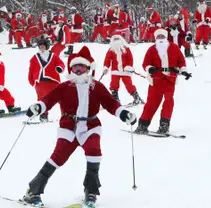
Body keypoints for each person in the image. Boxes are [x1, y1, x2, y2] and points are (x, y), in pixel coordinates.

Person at [21, 46, 137, 207]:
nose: (77, 70)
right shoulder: (65, 86)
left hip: (90, 126)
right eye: (74, 67)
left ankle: (91, 192)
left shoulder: (96, 86)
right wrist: (38, 107)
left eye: (81, 67)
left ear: (87, 69)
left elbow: (111, 103)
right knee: (58, 157)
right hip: (68, 126)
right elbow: (49, 99)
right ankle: (33, 191)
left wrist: (124, 114)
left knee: (94, 152)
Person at [134, 29, 191, 134]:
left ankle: (164, 125)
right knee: (151, 103)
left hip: (170, 79)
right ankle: (143, 125)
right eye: (158, 36)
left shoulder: (174, 47)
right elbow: (145, 63)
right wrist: (149, 68)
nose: (160, 38)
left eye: (162, 36)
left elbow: (181, 61)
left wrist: (184, 71)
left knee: (168, 102)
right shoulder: (151, 49)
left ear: (165, 37)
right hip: (156, 80)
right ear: (156, 38)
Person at [28, 39, 65, 122]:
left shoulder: (53, 56)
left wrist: (59, 68)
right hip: (40, 83)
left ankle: (66, 114)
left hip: (53, 81)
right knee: (42, 100)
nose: (41, 47)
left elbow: (61, 64)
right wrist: (33, 83)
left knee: (60, 97)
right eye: (40, 45)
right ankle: (43, 116)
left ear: (47, 46)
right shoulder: (34, 58)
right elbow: (31, 71)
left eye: (43, 45)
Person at [103, 33, 144, 105]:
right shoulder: (111, 50)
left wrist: (129, 66)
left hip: (126, 71)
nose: (116, 41)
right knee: (113, 85)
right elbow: (107, 59)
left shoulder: (126, 49)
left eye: (117, 39)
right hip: (115, 71)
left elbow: (130, 58)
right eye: (115, 39)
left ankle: (137, 98)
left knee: (129, 85)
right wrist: (106, 67)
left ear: (121, 40)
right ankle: (115, 99)